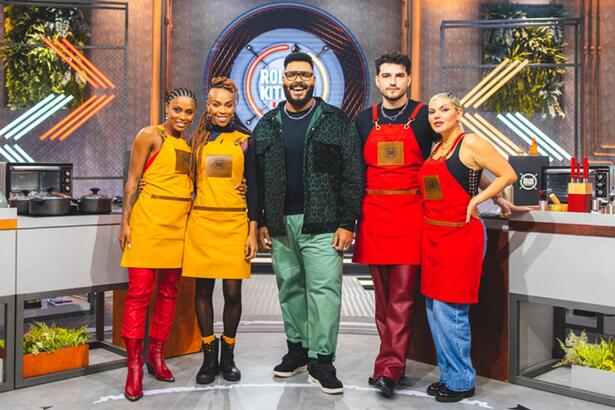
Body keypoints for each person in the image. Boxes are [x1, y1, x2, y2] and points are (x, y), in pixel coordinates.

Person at [254, 51, 364, 394]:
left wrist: (348, 221)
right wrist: (259, 222)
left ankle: (322, 360)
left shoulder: (335, 120)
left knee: (324, 292)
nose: (297, 80)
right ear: (283, 79)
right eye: (291, 75)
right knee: (290, 289)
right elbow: (256, 177)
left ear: (314, 80)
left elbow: (353, 174)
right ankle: (297, 350)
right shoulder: (268, 123)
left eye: (304, 74)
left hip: (325, 223)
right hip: (281, 224)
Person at [419, 93, 516, 403]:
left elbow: (507, 173)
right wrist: (491, 193)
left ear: (458, 113)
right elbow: (471, 172)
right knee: (435, 311)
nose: (437, 115)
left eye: (444, 109)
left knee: (451, 312)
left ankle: (462, 381)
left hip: (461, 236)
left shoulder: (470, 141)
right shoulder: (436, 147)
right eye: (432, 111)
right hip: (434, 236)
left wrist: (479, 199)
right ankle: (449, 375)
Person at [353, 52, 438, 399]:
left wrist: (479, 193)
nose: (392, 82)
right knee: (383, 300)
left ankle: (390, 367)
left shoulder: (424, 118)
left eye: (398, 76)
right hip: (373, 214)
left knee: (402, 298)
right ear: (377, 81)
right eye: (386, 76)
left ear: (409, 80)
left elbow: (450, 155)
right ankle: (388, 362)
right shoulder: (362, 119)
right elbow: (354, 172)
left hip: (410, 215)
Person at [118, 87, 196, 401]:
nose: (183, 117)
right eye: (177, 109)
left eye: (189, 112)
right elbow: (132, 180)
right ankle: (134, 366)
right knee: (138, 295)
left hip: (178, 226)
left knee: (168, 293)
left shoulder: (189, 144)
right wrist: (124, 221)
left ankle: (157, 355)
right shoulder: (149, 136)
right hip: (147, 223)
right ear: (166, 107)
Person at [182, 77, 258, 385]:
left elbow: (254, 187)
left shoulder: (245, 141)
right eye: (216, 104)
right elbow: (184, 182)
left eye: (228, 104)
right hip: (202, 223)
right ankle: (208, 357)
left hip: (235, 223)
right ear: (208, 106)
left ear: (234, 105)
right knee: (202, 291)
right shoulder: (196, 140)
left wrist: (253, 230)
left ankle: (229, 356)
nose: (222, 110)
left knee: (232, 292)